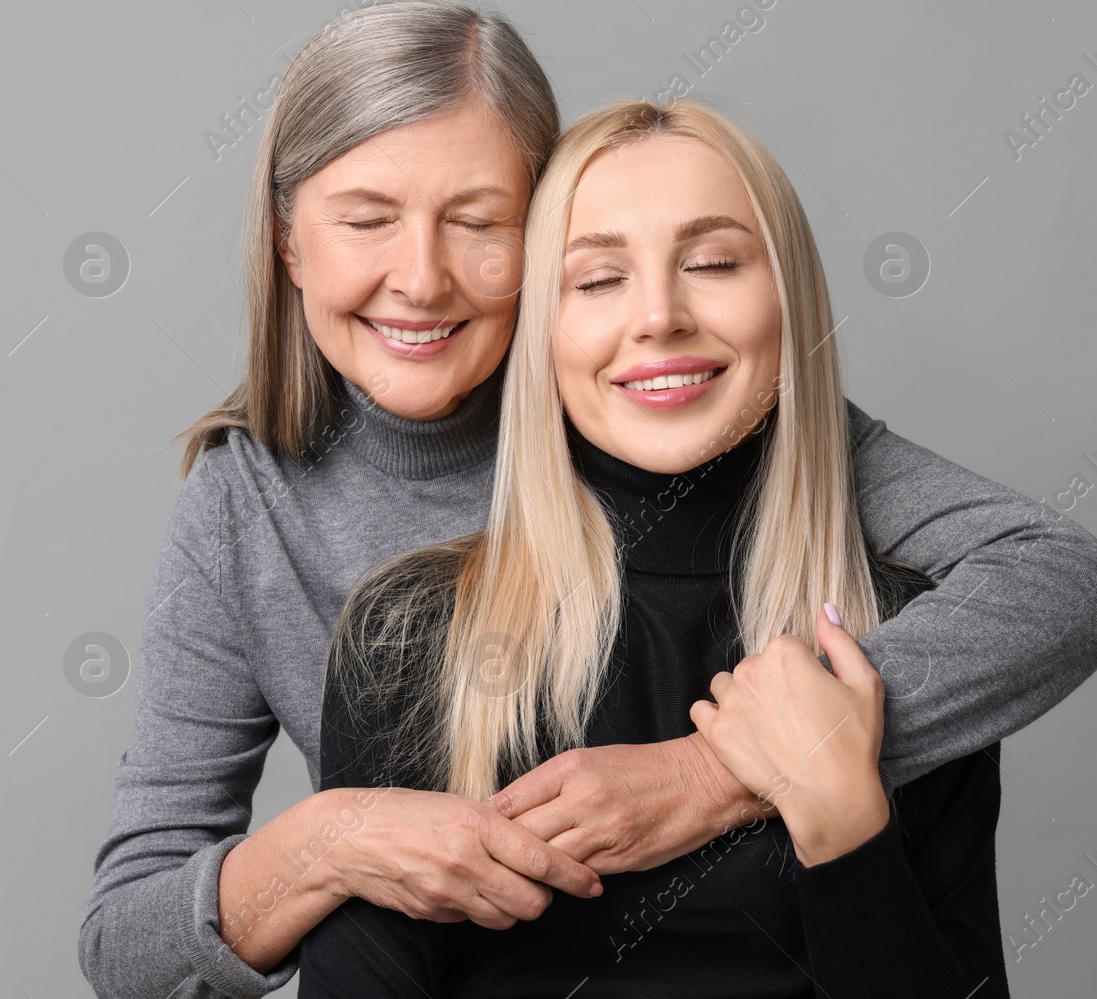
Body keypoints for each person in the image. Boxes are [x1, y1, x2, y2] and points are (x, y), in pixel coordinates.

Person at [78, 1, 1097, 999]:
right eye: (365, 220)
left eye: (478, 222)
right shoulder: (276, 526)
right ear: (290, 242)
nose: (421, 280)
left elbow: (1055, 576)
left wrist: (722, 771)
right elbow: (130, 948)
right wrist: (333, 839)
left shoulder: (689, 408)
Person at [298, 99, 1009, 997]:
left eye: (712, 263)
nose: (660, 316)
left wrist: (842, 824)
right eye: (597, 280)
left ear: (791, 301)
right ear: (540, 332)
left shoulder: (901, 638)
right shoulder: (407, 636)